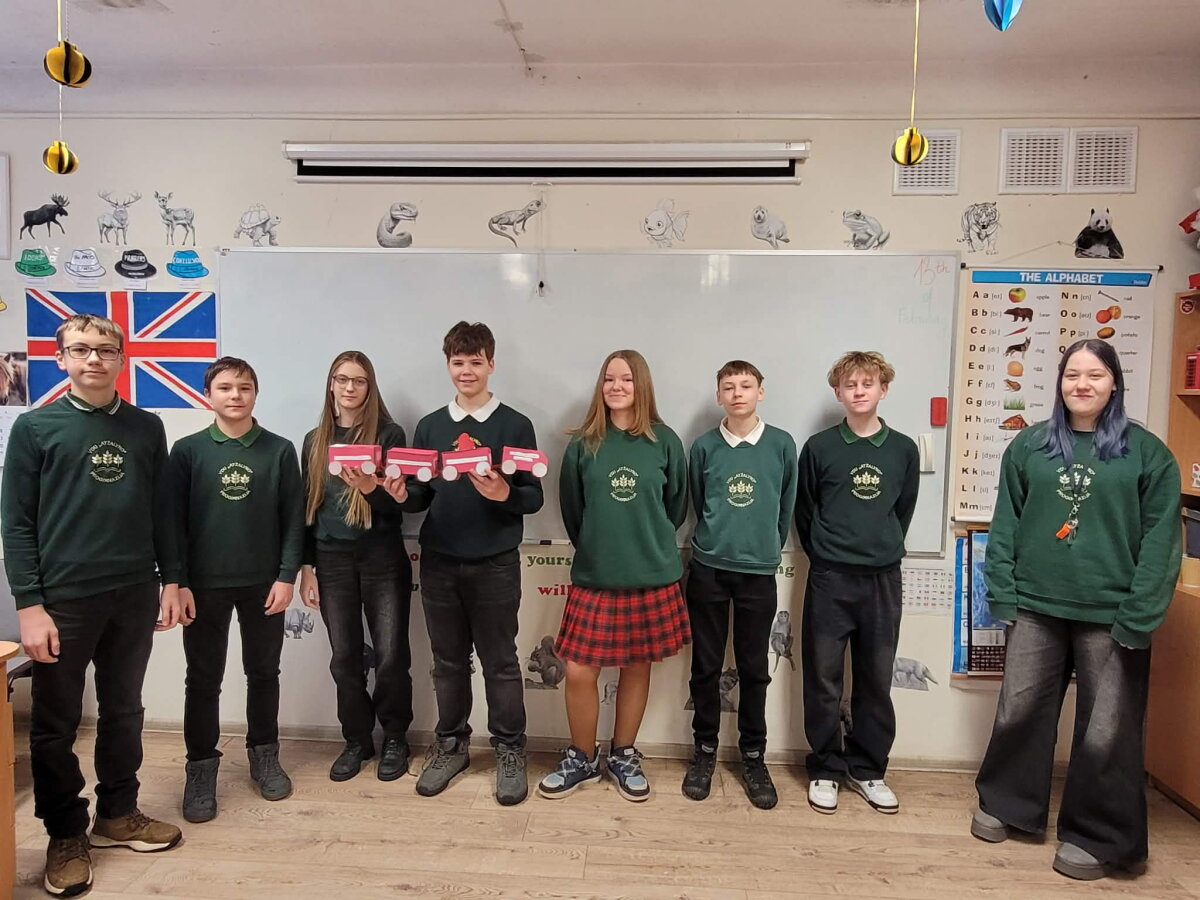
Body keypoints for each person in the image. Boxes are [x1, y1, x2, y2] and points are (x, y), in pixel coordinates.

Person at [972, 339, 1180, 881]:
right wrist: (1002, 592)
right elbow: (1005, 523)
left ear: (1114, 383)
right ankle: (1008, 805)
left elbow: (1162, 541)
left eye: (1095, 375)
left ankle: (1099, 836)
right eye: (1072, 375)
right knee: (1018, 710)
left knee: (1107, 729)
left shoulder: (1148, 453)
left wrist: (1140, 613)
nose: (1082, 384)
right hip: (1036, 605)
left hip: (1112, 613)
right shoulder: (1029, 446)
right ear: (1059, 383)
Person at [1, 314, 183, 898]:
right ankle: (64, 834)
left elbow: (162, 513)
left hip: (133, 591)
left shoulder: (146, 427)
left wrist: (172, 580)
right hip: (63, 599)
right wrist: (30, 605)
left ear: (122, 358)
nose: (94, 359)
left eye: (105, 349)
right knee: (54, 722)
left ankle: (117, 814)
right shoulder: (35, 427)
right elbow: (16, 523)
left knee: (124, 709)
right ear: (60, 359)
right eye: (80, 350)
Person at [388, 322, 543, 806]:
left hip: (495, 563)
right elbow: (419, 495)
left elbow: (533, 497)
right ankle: (451, 745)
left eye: (476, 362)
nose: (467, 371)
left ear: (491, 364)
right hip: (439, 562)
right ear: (448, 365)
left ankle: (509, 750)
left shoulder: (515, 425)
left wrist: (503, 493)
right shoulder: (430, 426)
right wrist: (400, 495)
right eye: (458, 362)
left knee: (500, 664)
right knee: (448, 663)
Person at [538, 350, 689, 802]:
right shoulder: (583, 444)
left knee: (636, 667)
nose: (617, 386)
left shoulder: (665, 441)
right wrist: (600, 547)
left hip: (650, 573)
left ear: (641, 385)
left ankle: (623, 754)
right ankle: (582, 758)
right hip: (597, 574)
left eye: (626, 379)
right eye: (609, 379)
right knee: (579, 671)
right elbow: (572, 510)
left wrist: (644, 543)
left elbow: (675, 508)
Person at [169, 357, 305, 823]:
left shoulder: (279, 450)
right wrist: (178, 582)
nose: (235, 395)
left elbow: (293, 518)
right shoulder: (187, 451)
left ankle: (264, 755)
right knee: (202, 679)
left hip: (264, 585)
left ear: (255, 394)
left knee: (264, 673)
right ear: (208, 395)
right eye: (225, 387)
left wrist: (286, 576)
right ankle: (200, 768)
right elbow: (172, 523)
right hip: (203, 587)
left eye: (244, 387)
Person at [794, 350, 918, 815]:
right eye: (851, 385)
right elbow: (805, 511)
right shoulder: (819, 447)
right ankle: (826, 768)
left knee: (875, 678)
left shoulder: (903, 449)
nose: (860, 391)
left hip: (882, 579)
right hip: (831, 578)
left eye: (868, 383)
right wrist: (827, 554)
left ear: (883, 389)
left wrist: (880, 547)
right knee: (824, 678)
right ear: (838, 393)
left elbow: (903, 510)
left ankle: (868, 769)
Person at [682, 360, 797, 809]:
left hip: (758, 572)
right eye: (728, 387)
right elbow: (698, 501)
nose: (737, 393)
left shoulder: (782, 444)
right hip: (709, 568)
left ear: (760, 392)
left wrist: (766, 548)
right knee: (705, 667)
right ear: (718, 396)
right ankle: (704, 751)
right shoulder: (704, 446)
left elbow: (786, 505)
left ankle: (753, 756)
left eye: (746, 386)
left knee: (753, 669)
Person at [298, 351, 413, 783]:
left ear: (370, 387)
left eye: (359, 381)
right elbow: (307, 510)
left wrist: (371, 489)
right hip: (331, 562)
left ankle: (395, 737)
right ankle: (357, 739)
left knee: (390, 656)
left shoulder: (390, 434)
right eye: (342, 379)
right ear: (331, 384)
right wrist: (306, 567)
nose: (350, 387)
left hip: (382, 557)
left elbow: (399, 505)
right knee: (344, 658)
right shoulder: (315, 441)